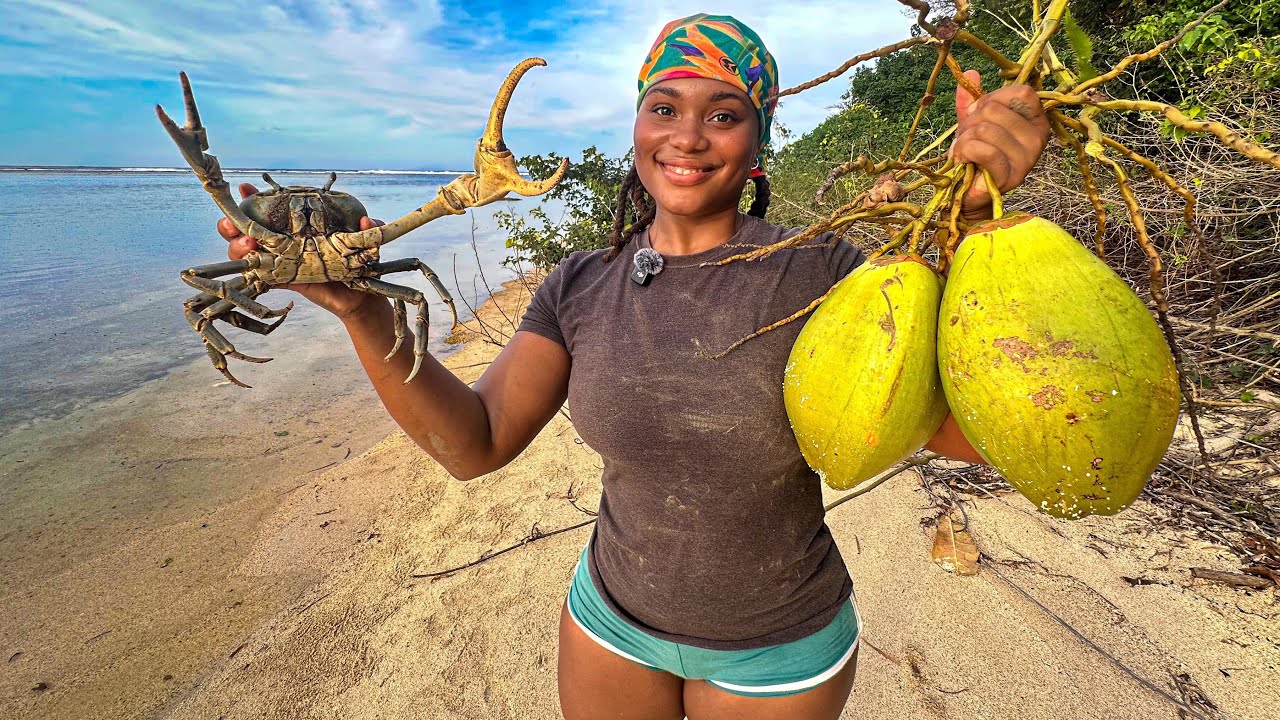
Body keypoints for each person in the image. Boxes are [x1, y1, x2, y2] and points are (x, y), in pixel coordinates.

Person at [218, 14, 1050, 720]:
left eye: (723, 114)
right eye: (665, 107)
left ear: (757, 142)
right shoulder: (580, 282)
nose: (688, 136)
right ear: (638, 130)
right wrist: (362, 310)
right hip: (609, 621)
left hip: (778, 644)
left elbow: (972, 437)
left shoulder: (823, 276)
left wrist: (972, 234)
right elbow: (473, 444)